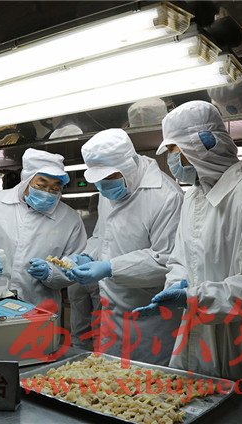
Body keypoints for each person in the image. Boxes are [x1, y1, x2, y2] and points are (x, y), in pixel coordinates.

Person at [135, 101, 242, 386]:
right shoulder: (192, 198)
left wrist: (195, 298)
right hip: (197, 336)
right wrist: (178, 285)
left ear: (199, 145)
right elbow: (180, 259)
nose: (171, 161)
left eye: (173, 150)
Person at [67, 128, 184, 365]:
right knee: (110, 381)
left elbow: (167, 259)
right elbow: (102, 236)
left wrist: (110, 268)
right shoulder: (110, 190)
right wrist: (88, 256)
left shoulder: (166, 197)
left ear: (129, 164)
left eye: (109, 178)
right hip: (111, 315)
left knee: (148, 382)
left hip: (150, 318)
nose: (103, 186)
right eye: (98, 180)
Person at [0, 148, 87, 314]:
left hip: (40, 307)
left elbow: (75, 263)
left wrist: (51, 272)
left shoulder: (70, 218)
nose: (47, 192)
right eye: (41, 185)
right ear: (26, 179)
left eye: (55, 188)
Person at [68, 193, 101, 350]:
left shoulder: (80, 221)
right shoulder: (106, 223)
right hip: (97, 274)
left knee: (78, 317)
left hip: (75, 274)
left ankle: (78, 351)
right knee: (99, 319)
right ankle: (100, 355)